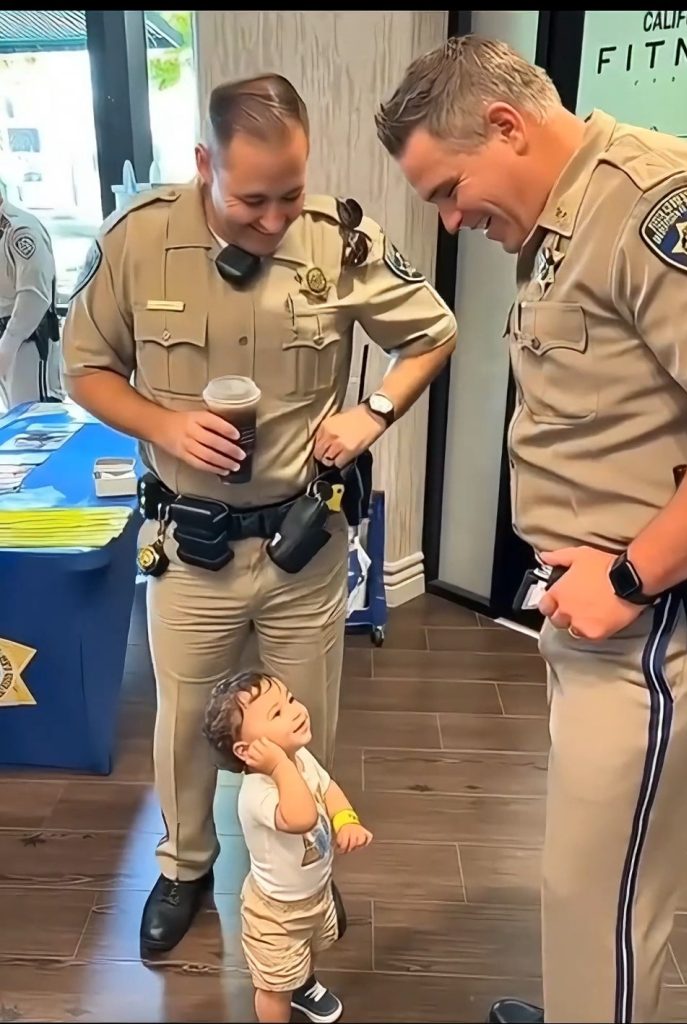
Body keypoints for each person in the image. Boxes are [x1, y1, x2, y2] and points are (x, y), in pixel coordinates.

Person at [375, 34, 687, 1024]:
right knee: (598, 876)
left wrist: (633, 576)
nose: (450, 218)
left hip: (658, 617)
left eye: (448, 187)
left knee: (597, 893)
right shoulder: (564, 220)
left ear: (507, 125)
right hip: (611, 619)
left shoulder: (655, 206)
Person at [60, 71, 456, 1000]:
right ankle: (185, 866)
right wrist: (161, 424)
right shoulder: (140, 242)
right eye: (252, 199)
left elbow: (432, 330)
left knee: (303, 727)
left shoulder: (338, 239)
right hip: (188, 549)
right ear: (204, 163)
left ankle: (306, 867)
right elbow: (84, 366)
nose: (276, 219)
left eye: (291, 193)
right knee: (185, 727)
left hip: (303, 548)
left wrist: (373, 411)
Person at [203, 670, 372, 1024]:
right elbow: (302, 818)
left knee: (307, 949)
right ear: (246, 751)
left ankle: (302, 984)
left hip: (314, 892)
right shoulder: (258, 793)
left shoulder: (299, 757)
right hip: (276, 914)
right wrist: (281, 766)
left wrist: (346, 819)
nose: (296, 711)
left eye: (290, 699)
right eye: (277, 713)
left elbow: (327, 789)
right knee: (272, 986)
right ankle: (285, 993)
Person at [0, 192, 64, 411]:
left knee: (34, 418)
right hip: (8, 336)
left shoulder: (20, 231)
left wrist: (7, 346)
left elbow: (34, 297)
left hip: (29, 342)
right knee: (14, 420)